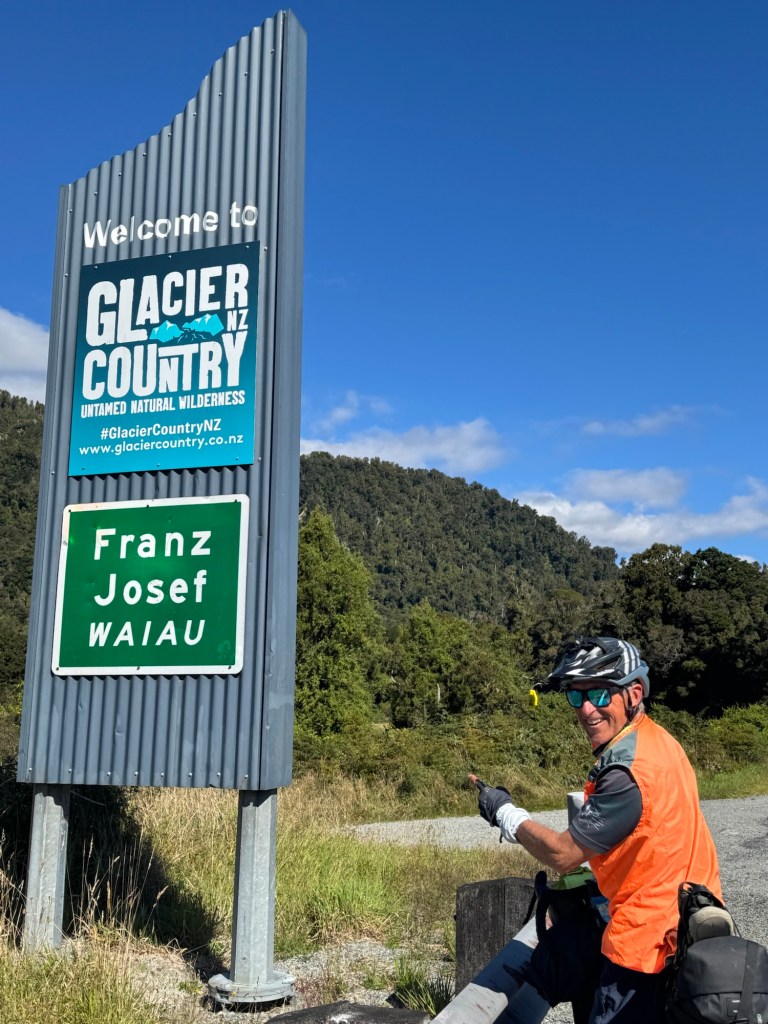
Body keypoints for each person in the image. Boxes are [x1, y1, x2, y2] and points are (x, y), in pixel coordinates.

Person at [471, 635, 722, 1024]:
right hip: (686, 927)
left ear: (633, 693)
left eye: (601, 694)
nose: (587, 709)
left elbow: (563, 853)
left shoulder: (626, 772)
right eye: (577, 695)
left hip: (645, 949)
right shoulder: (659, 742)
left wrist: (506, 814)